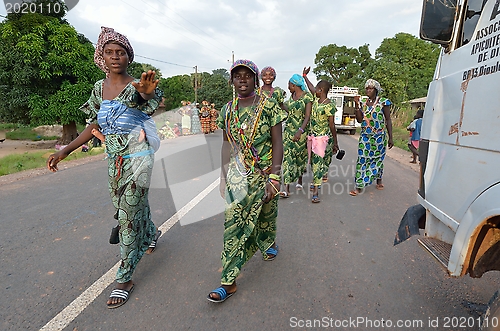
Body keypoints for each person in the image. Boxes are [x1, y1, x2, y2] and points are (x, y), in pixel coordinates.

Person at [46, 27, 163, 309]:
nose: (115, 56)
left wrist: (146, 95)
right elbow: (94, 126)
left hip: (139, 156)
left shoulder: (138, 85)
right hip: (114, 158)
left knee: (127, 213)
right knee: (123, 206)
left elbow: (144, 102)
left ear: (128, 57)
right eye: (109, 52)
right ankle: (150, 233)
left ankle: (124, 277)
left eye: (121, 52)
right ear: (101, 56)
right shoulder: (98, 89)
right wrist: (65, 150)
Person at [207, 59, 286, 303]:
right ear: (232, 80)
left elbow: (277, 143)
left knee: (266, 215)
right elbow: (225, 144)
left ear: (255, 79)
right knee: (234, 226)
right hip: (238, 178)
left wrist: (274, 176)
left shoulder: (269, 106)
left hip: (264, 175)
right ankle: (227, 281)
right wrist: (222, 177)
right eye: (237, 76)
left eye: (247, 75)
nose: (242, 79)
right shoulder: (227, 110)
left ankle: (267, 243)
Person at [349, 79, 393, 196]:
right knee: (362, 158)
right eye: (367, 88)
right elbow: (359, 119)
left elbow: (388, 120)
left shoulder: (383, 102)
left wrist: (391, 137)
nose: (368, 90)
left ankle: (379, 179)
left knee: (377, 159)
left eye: (370, 88)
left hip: (379, 137)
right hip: (365, 136)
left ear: (376, 90)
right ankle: (359, 185)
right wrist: (356, 105)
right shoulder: (363, 102)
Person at [302, 67, 340, 203]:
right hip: (313, 138)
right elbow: (311, 87)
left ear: (321, 90)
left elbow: (332, 125)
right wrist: (305, 76)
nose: (315, 90)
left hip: (323, 140)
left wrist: (335, 142)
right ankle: (316, 180)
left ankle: (316, 192)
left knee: (318, 164)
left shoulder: (329, 106)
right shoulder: (316, 100)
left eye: (317, 89)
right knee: (314, 163)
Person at [279, 74, 312, 198]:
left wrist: (300, 130)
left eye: (289, 85)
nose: (288, 88)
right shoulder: (291, 98)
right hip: (288, 131)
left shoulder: (307, 97)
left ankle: (299, 180)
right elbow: (289, 110)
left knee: (300, 158)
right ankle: (285, 188)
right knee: (287, 159)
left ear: (294, 85)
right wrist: (282, 105)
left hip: (301, 132)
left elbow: (307, 116)